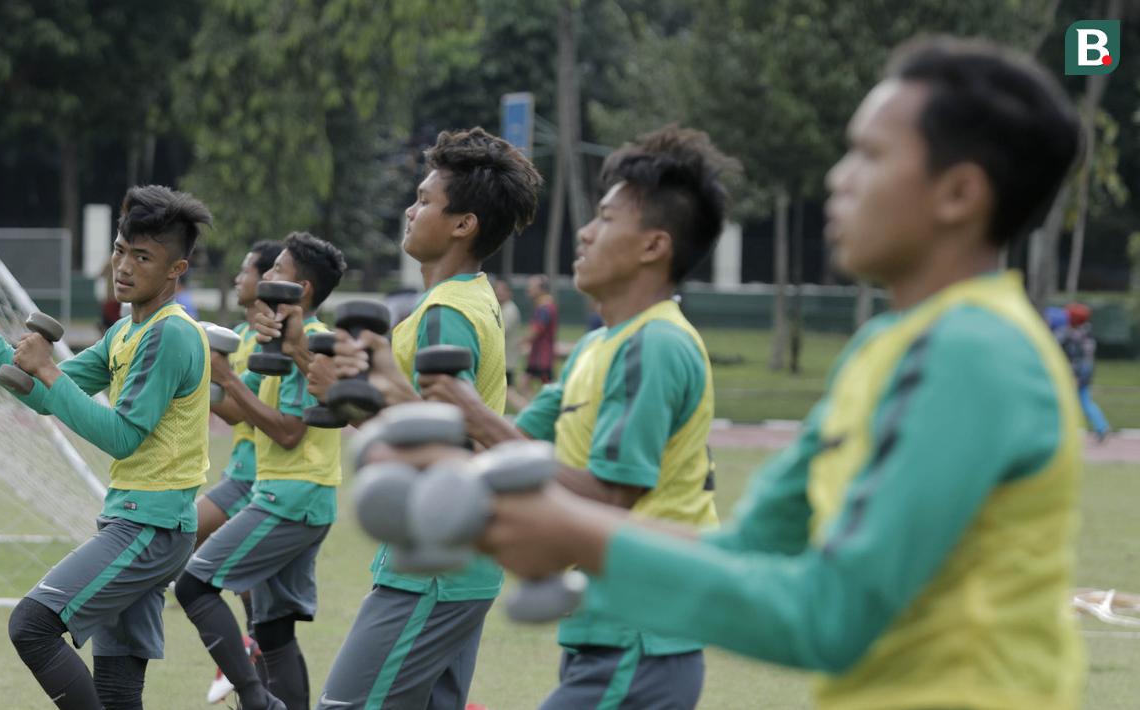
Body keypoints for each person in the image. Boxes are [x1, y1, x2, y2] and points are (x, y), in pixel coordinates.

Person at [425, 37, 1087, 709]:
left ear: (959, 193)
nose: (837, 178)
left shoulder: (974, 353)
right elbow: (750, 547)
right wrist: (516, 511)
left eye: (870, 155)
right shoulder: (883, 347)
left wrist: (571, 532)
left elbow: (834, 613)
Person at [418, 124, 729, 709]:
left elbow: (610, 499)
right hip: (608, 634)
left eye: (606, 220)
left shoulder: (655, 345)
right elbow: (505, 451)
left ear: (654, 245)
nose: (584, 234)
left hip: (641, 633)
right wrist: (387, 392)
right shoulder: (598, 347)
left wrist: (470, 410)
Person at [254, 127, 540, 709]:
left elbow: (446, 447)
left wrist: (354, 397)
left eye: (425, 200)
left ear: (464, 224)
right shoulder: (470, 297)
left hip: (432, 572)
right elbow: (426, 425)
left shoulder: (444, 314)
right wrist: (311, 358)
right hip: (454, 561)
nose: (411, 210)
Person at [0, 185, 214, 710]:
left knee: (32, 625)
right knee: (115, 691)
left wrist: (45, 368)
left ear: (176, 269)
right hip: (134, 521)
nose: (123, 266)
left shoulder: (170, 335)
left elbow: (121, 435)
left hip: (152, 526)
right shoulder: (127, 331)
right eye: (119, 250)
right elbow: (48, 395)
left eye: (143, 256)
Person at [175, 232, 346, 710]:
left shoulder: (314, 344)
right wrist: (198, 369)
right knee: (272, 630)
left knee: (194, 582)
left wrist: (227, 374)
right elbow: (233, 408)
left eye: (277, 270)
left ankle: (253, 698)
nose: (266, 275)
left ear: (303, 290)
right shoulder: (272, 343)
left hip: (294, 498)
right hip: (282, 494)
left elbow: (289, 432)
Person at [197, 239, 283, 704]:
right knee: (250, 585)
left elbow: (249, 410)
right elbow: (231, 413)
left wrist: (220, 379)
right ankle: (247, 656)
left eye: (247, 270)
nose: (239, 277)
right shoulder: (240, 335)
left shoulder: (270, 340)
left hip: (254, 476)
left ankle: (241, 658)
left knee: (185, 537)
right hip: (242, 468)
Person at [1065, 303, 1110, 440]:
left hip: (1079, 372)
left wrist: (1076, 376)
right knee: (1084, 399)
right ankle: (1102, 426)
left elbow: (1076, 357)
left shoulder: (1076, 335)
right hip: (1087, 369)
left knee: (1071, 401)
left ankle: (1100, 427)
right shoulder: (1086, 331)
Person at [494, 276, 528, 411]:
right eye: (497, 289)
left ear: (509, 293)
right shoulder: (503, 308)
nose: (499, 293)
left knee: (509, 391)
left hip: (506, 360)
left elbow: (501, 331)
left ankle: (528, 413)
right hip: (504, 359)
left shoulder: (510, 310)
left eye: (503, 290)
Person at [521, 274, 558, 394]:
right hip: (539, 357)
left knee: (548, 390)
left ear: (541, 289)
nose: (528, 289)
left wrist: (521, 341)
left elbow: (536, 330)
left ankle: (539, 410)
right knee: (525, 384)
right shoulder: (543, 305)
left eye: (532, 286)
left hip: (542, 357)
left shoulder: (545, 307)